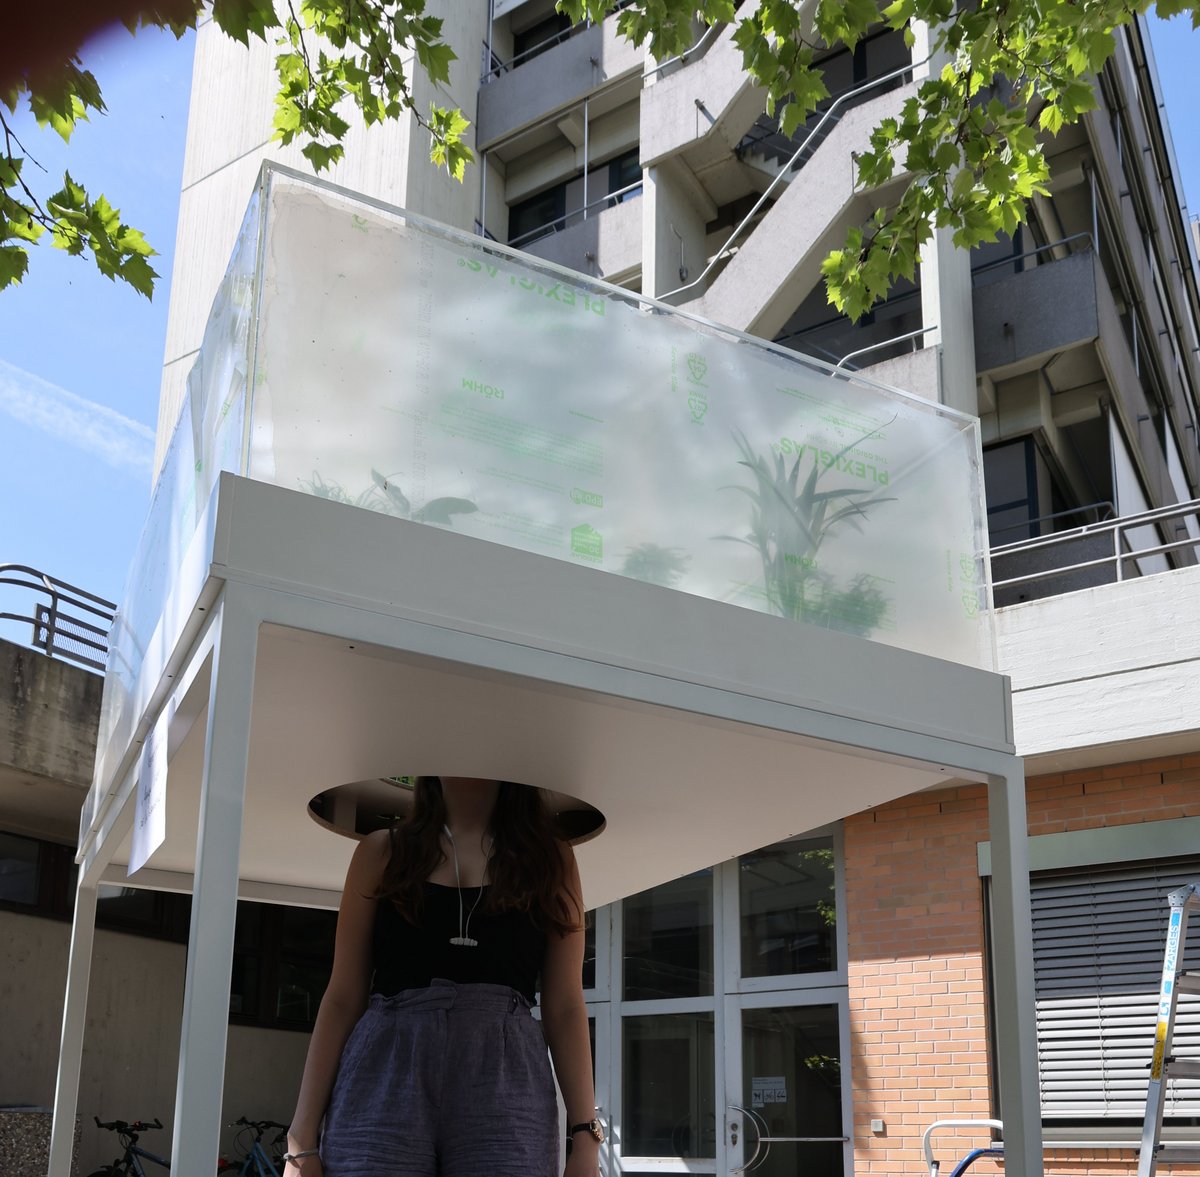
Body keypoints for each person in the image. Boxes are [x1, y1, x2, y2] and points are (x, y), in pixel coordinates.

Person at [281, 776, 601, 1177]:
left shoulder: (550, 859)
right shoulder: (382, 851)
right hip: (386, 1069)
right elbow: (344, 996)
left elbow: (565, 1005)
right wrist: (300, 1141)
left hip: (503, 1080)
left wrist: (585, 1137)